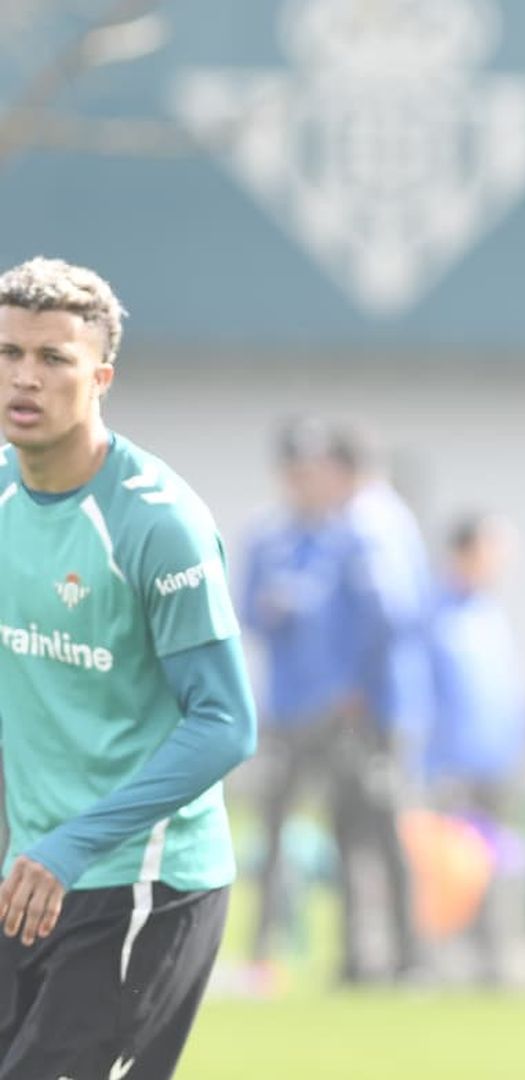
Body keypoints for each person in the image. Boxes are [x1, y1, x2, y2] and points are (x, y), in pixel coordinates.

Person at [0, 257, 257, 1077]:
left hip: (142, 885)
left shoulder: (157, 524)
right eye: (9, 353)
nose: (25, 377)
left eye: (53, 358)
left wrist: (73, 845)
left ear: (100, 378)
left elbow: (225, 723)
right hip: (29, 877)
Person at [238, 418, 364, 992]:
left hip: (338, 711)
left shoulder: (348, 537)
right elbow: (246, 610)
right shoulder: (267, 537)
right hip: (285, 708)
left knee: (349, 832)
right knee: (273, 830)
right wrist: (277, 605)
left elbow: (366, 623)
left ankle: (354, 958)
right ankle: (263, 954)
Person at [333, 430, 434, 984]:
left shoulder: (364, 521)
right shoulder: (397, 517)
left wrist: (357, 682)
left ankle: (387, 956)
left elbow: (386, 611)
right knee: (382, 826)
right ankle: (399, 953)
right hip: (397, 699)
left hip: (374, 705)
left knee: (366, 827)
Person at [423, 512, 525, 986]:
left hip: (496, 766)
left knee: (494, 867)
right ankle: (438, 963)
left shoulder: (490, 613)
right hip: (449, 768)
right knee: (449, 871)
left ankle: (492, 964)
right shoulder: (434, 613)